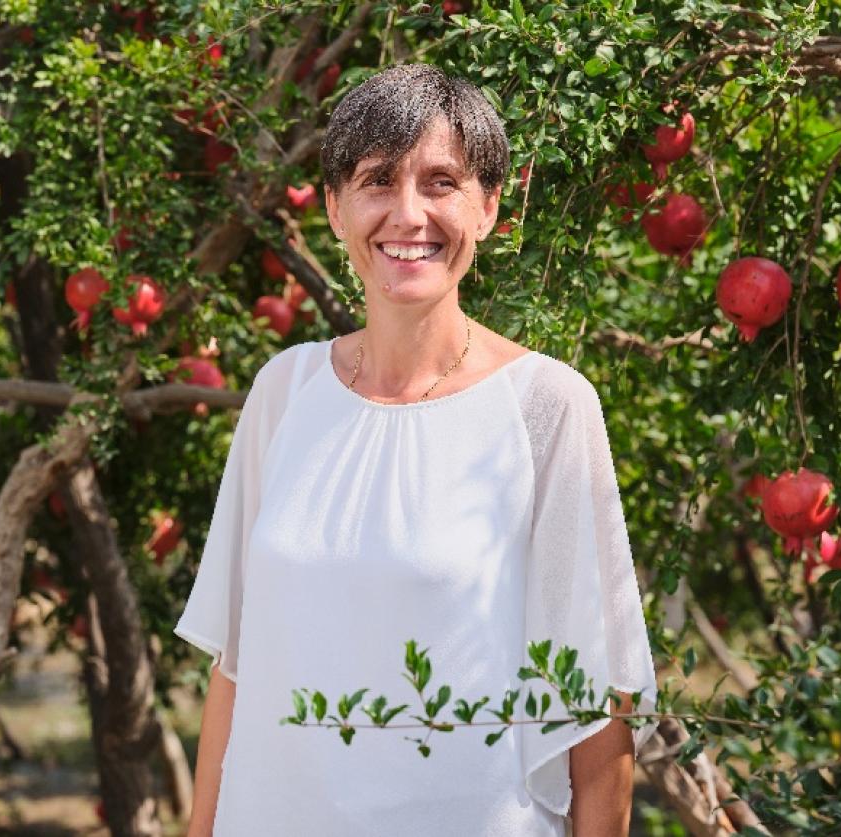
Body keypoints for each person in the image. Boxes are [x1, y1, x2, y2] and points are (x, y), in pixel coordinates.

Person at [174, 63, 658, 837]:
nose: (408, 214)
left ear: (488, 207)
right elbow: (237, 666)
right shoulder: (283, 392)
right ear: (333, 208)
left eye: (440, 183)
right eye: (377, 181)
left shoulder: (546, 406)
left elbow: (595, 699)